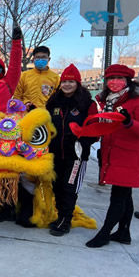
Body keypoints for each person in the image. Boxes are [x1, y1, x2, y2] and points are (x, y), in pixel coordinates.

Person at [86, 64, 139, 248]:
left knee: (118, 197)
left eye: (119, 78)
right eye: (111, 78)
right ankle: (123, 232)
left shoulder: (138, 101)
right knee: (125, 196)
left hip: (128, 155)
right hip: (113, 152)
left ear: (128, 81)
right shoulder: (109, 101)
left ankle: (104, 233)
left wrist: (129, 122)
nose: (114, 82)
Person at [46, 64, 97, 236]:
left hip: (76, 156)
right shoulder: (54, 102)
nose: (67, 85)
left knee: (69, 187)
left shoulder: (87, 104)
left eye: (71, 81)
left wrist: (83, 140)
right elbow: (46, 123)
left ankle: (65, 221)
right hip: (55, 154)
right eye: (64, 81)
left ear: (77, 83)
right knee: (57, 186)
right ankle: (61, 216)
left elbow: (95, 130)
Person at [13, 45, 59, 109]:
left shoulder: (56, 78)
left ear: (49, 59)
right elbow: (17, 96)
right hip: (26, 115)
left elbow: (58, 98)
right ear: (33, 59)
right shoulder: (24, 76)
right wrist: (25, 104)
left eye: (43, 57)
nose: (40, 60)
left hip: (47, 115)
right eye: (37, 57)